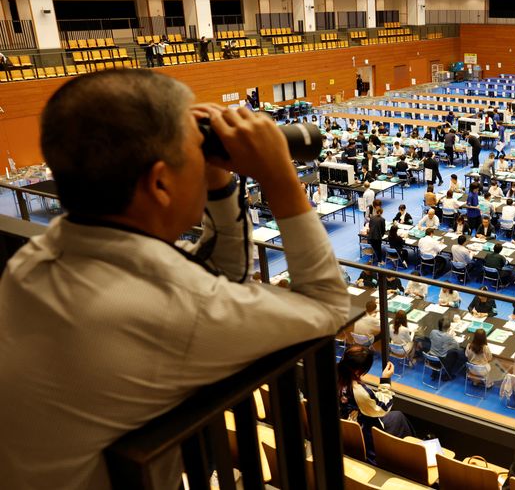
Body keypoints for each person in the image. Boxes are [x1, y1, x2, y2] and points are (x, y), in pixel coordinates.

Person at [0, 70, 351, 490]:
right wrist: (279, 177)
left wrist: (219, 182)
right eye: (196, 155)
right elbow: (329, 307)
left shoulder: (38, 259)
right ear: (161, 182)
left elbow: (222, 275)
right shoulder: (170, 308)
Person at [338, 346, 413, 463]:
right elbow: (382, 407)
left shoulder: (334, 375)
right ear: (358, 371)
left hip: (343, 428)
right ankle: (413, 455)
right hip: (362, 434)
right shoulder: (358, 390)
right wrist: (385, 380)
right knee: (399, 419)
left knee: (398, 416)